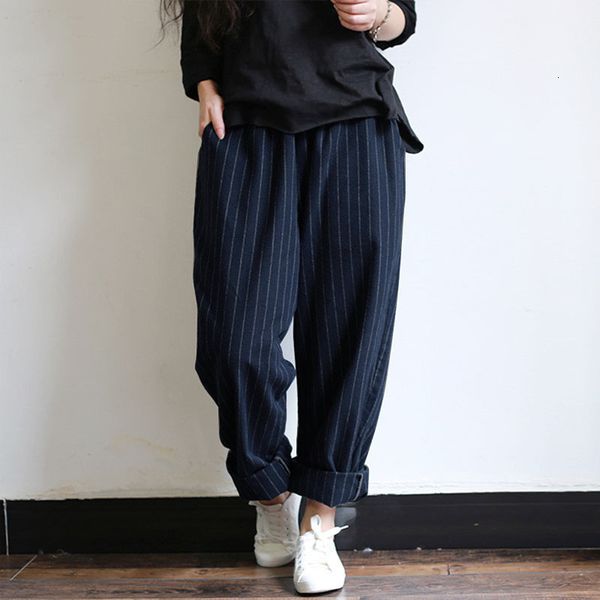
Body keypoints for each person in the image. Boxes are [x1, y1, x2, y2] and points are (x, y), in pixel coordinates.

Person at [164, 0, 423, 593]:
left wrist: (376, 13)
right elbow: (200, 23)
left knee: (349, 333)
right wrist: (204, 84)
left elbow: (402, 19)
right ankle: (270, 494)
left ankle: (319, 520)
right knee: (235, 342)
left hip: (356, 123)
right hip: (246, 129)